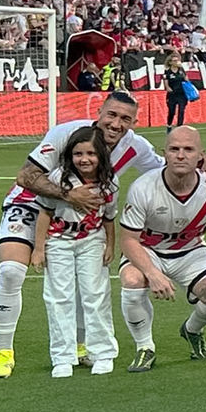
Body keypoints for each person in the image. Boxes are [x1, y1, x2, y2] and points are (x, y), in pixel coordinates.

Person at [0, 92, 163, 379]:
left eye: (125, 119)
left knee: (87, 283)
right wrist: (68, 195)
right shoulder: (66, 133)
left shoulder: (136, 146)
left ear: (134, 122)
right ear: (100, 111)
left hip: (79, 219)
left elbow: (167, 169)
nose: (116, 124)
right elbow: (26, 176)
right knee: (10, 272)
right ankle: (4, 352)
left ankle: (80, 346)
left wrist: (202, 168)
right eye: (111, 115)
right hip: (31, 204)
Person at [118, 127, 206, 373]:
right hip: (148, 250)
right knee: (132, 280)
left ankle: (192, 329)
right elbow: (129, 240)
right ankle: (145, 347)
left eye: (188, 149)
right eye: (174, 149)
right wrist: (153, 273)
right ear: (165, 154)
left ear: (200, 155)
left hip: (190, 252)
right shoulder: (143, 187)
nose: (181, 155)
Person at [29, 126, 118, 378]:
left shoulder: (110, 182)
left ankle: (102, 352)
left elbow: (109, 218)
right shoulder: (59, 178)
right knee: (58, 297)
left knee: (95, 294)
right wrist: (39, 248)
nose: (84, 159)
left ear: (101, 155)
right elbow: (45, 213)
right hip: (59, 241)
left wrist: (110, 245)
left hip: (92, 239)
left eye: (91, 153)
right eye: (78, 154)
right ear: (70, 155)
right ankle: (62, 357)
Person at [164, 52, 188, 132]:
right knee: (172, 111)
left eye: (177, 60)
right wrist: (168, 87)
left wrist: (183, 71)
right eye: (174, 61)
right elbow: (166, 82)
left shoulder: (181, 70)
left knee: (181, 110)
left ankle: (179, 127)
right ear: (170, 62)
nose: (176, 62)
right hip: (172, 94)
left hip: (181, 93)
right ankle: (169, 125)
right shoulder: (167, 71)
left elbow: (187, 80)